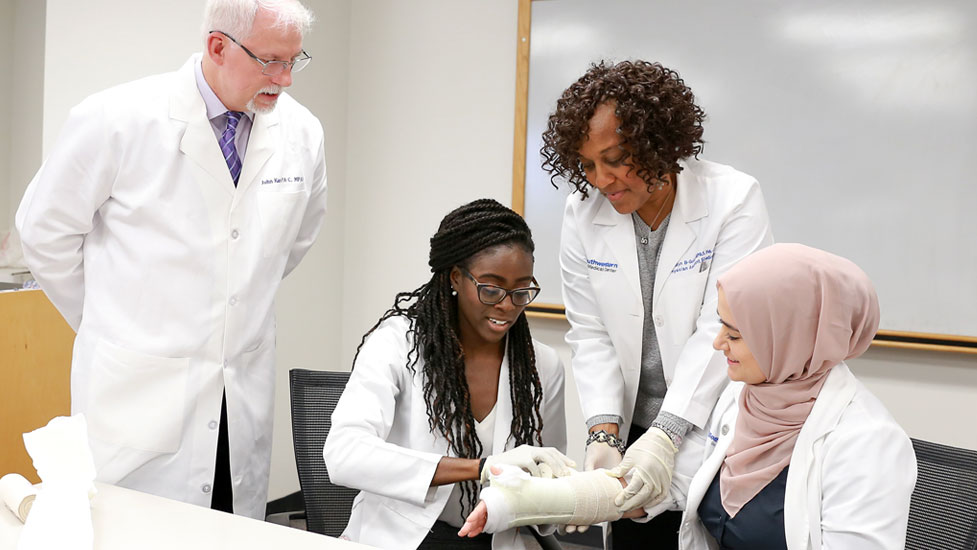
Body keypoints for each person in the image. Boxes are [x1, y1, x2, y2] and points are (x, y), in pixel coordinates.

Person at [15, 0, 326, 519]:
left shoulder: (302, 133)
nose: (286, 78)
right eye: (271, 61)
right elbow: (43, 233)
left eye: (295, 61)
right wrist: (110, 319)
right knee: (132, 528)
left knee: (229, 527)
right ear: (217, 46)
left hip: (239, 390)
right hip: (137, 395)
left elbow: (293, 242)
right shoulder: (116, 118)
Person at [461, 243, 918, 550]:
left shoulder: (867, 444)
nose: (718, 344)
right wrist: (533, 497)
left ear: (790, 338)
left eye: (735, 333)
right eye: (720, 325)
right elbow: (665, 487)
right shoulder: (742, 399)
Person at [544, 60, 774, 545]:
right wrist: (605, 435)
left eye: (617, 157)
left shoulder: (732, 200)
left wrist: (667, 435)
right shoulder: (582, 214)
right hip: (632, 426)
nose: (602, 179)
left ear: (658, 143)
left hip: (712, 424)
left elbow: (722, 330)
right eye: (587, 165)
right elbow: (591, 332)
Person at [324, 199, 574, 550]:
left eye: (521, 292)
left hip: (496, 536)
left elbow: (547, 479)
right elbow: (344, 454)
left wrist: (573, 496)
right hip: (407, 535)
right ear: (456, 277)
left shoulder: (541, 367)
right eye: (491, 289)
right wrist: (481, 467)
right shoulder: (398, 343)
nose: (507, 305)